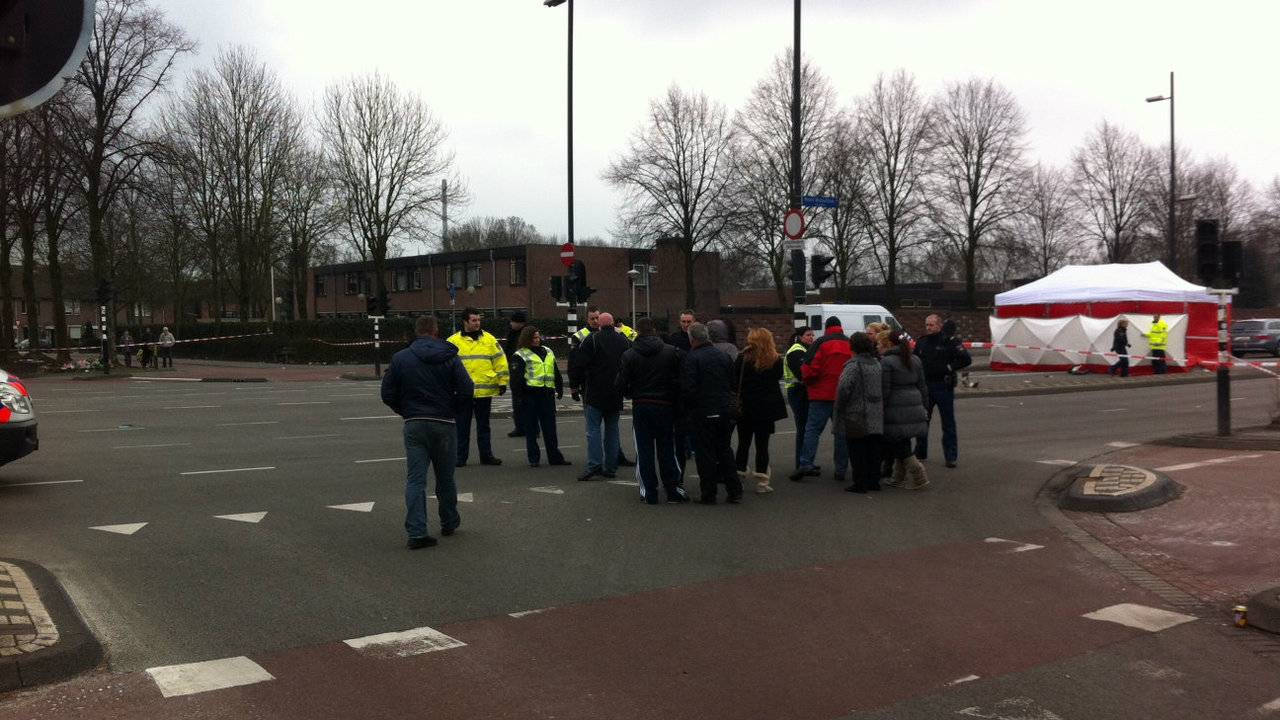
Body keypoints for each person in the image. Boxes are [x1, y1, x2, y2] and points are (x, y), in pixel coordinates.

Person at [380, 315, 473, 549]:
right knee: (445, 477)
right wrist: (453, 409)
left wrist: (405, 411)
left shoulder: (401, 358)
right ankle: (449, 521)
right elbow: (467, 388)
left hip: (415, 421)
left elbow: (387, 393)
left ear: (417, 332)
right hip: (443, 421)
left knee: (415, 479)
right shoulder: (449, 356)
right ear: (436, 330)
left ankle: (417, 531)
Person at [616, 317, 688, 504]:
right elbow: (682, 378)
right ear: (654, 330)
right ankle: (672, 489)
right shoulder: (671, 352)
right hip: (665, 404)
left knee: (644, 450)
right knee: (667, 448)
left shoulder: (629, 354)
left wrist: (631, 393)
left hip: (642, 404)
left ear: (637, 332)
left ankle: (649, 492)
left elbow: (620, 383)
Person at [681, 322, 742, 504]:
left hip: (703, 411)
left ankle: (709, 493)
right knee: (724, 450)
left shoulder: (692, 358)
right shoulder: (723, 356)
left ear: (692, 339)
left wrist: (689, 408)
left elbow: (689, 388)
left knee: (705, 453)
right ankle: (735, 490)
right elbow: (733, 383)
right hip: (723, 410)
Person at [569, 306, 636, 468]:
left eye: (596, 318)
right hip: (614, 389)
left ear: (600, 321)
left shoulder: (591, 339)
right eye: (591, 318)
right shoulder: (622, 339)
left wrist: (574, 385)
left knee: (594, 429)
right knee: (612, 428)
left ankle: (596, 464)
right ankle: (612, 464)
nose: (594, 321)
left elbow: (577, 364)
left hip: (594, 389)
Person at [788, 317, 852, 482]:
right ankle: (841, 469)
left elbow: (809, 369)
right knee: (841, 433)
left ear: (827, 328)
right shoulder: (849, 343)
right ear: (840, 327)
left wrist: (810, 383)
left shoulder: (820, 343)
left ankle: (805, 463)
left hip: (820, 394)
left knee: (812, 430)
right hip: (843, 395)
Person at [447, 307, 508, 467]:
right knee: (462, 427)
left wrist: (503, 382)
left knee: (484, 426)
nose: (477, 323)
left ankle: (486, 456)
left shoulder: (489, 339)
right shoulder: (453, 341)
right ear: (465, 322)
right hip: (462, 392)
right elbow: (446, 365)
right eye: (474, 320)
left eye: (479, 320)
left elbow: (500, 361)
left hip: (484, 391)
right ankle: (460, 457)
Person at [913, 314, 971, 469]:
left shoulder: (949, 342)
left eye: (931, 325)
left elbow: (965, 359)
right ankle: (920, 451)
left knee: (948, 423)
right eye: (926, 325)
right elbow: (914, 361)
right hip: (926, 387)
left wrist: (949, 368)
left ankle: (951, 456)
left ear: (939, 325)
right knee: (923, 421)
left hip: (943, 387)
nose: (928, 328)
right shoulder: (922, 342)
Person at [733, 328, 787, 494]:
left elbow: (735, 380)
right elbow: (777, 378)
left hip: (746, 407)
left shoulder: (742, 358)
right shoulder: (776, 359)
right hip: (766, 408)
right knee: (762, 446)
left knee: (743, 443)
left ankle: (739, 477)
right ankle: (762, 482)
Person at [510, 325, 570, 468]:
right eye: (534, 338)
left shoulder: (548, 351)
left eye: (538, 337)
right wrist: (519, 397)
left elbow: (554, 370)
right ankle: (534, 458)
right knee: (531, 430)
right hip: (530, 396)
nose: (537, 340)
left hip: (547, 395)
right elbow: (516, 379)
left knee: (550, 429)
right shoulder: (520, 355)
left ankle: (554, 457)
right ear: (527, 339)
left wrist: (559, 387)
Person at [834, 332, 884, 494]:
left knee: (857, 449)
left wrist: (840, 406)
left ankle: (860, 483)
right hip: (876, 411)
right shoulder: (876, 364)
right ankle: (874, 481)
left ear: (852, 347)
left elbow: (843, 388)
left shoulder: (853, 365)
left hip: (856, 413)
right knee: (874, 449)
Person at [882, 330, 930, 490]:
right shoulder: (915, 359)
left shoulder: (887, 362)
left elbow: (885, 389)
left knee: (897, 441)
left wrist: (881, 407)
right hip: (914, 403)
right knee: (903, 440)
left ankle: (918, 474)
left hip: (896, 407)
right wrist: (925, 406)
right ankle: (898, 476)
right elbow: (922, 385)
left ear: (890, 343)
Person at [783, 328, 816, 469]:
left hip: (800, 391)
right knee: (803, 429)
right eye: (808, 335)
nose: (811, 337)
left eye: (813, 335)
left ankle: (806, 462)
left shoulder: (804, 349)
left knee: (806, 429)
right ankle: (801, 463)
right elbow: (802, 374)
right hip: (798, 392)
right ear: (799, 337)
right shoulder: (797, 351)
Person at [504, 312, 529, 438]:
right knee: (517, 401)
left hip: (524, 372)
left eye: (513, 321)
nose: (511, 323)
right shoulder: (512, 333)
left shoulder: (525, 335)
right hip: (514, 371)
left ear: (520, 323)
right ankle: (519, 426)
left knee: (525, 402)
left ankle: (529, 427)